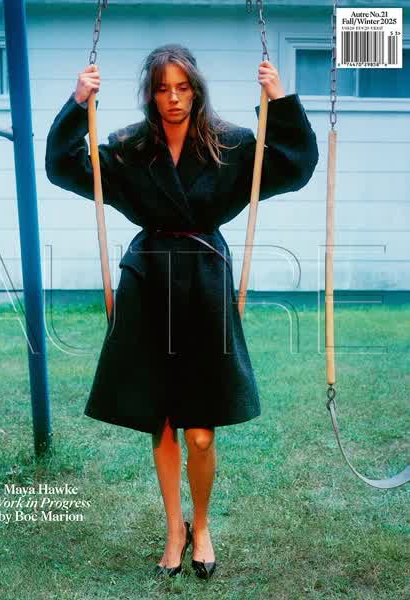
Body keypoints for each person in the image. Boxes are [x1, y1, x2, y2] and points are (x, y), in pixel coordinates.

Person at [45, 44, 319, 580]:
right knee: (164, 420)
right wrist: (78, 104)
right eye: (162, 88)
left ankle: (203, 523)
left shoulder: (232, 146)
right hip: (147, 284)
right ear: (151, 94)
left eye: (182, 87)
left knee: (201, 431)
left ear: (196, 90)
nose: (173, 98)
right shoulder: (129, 148)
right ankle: (175, 528)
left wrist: (280, 101)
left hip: (205, 284)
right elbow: (62, 167)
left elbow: (295, 166)